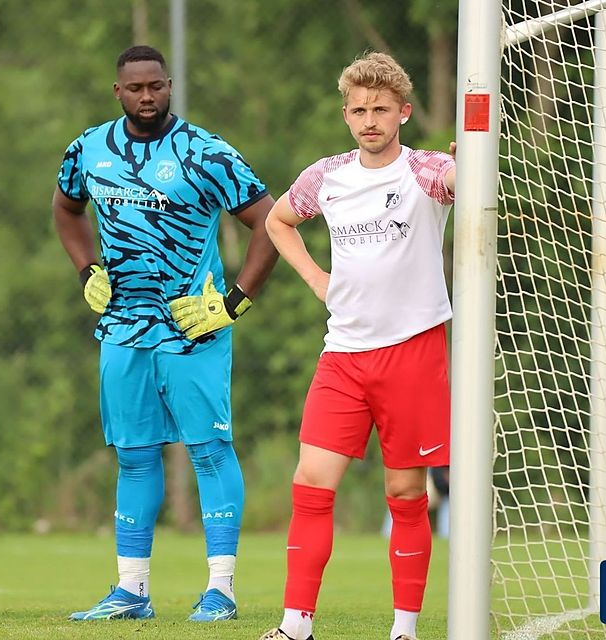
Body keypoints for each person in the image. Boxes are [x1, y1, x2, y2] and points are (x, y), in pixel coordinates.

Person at [52, 44, 278, 623]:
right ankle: (132, 591)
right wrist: (86, 271)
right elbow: (65, 208)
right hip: (123, 329)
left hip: (190, 330)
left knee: (209, 451)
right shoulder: (89, 149)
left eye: (156, 86)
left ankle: (221, 591)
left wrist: (234, 303)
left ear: (169, 86)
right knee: (133, 456)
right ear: (118, 91)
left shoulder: (205, 151)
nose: (147, 97)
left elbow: (270, 222)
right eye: (135, 88)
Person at [257, 51, 456, 640]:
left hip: (413, 352)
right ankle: (295, 624)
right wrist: (318, 279)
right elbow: (276, 221)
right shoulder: (327, 176)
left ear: (404, 112)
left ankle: (404, 629)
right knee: (311, 482)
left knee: (405, 493)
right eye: (360, 110)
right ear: (347, 115)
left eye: (382, 109)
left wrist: (467, 162)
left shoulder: (423, 170)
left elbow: (453, 180)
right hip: (342, 355)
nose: (371, 119)